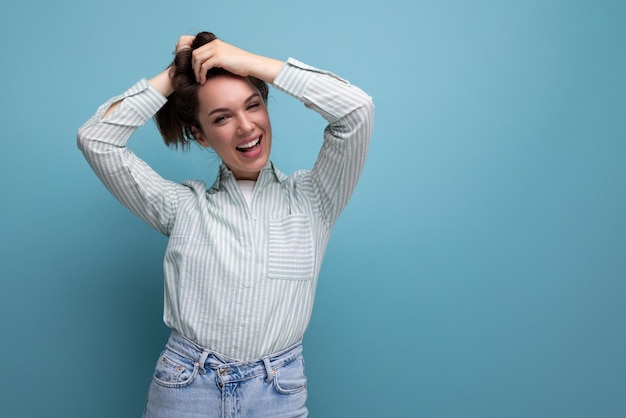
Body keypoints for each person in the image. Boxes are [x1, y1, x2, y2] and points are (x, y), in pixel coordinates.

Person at [77, 31, 374, 417]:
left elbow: (357, 110)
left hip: (277, 392)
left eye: (253, 106)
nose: (246, 126)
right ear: (200, 135)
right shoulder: (182, 206)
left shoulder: (315, 197)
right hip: (185, 388)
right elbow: (96, 138)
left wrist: (249, 62)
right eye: (222, 117)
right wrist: (178, 72)